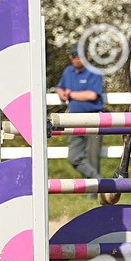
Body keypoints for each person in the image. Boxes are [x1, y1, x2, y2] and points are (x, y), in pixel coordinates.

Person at [53, 45, 103, 190]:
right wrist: (60, 92)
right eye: (74, 55)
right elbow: (59, 86)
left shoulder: (94, 72)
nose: (76, 58)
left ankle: (94, 192)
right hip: (74, 120)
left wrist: (70, 95)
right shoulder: (68, 72)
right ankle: (99, 182)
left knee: (93, 157)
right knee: (73, 157)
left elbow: (92, 95)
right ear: (70, 57)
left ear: (87, 56)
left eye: (79, 55)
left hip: (94, 119)